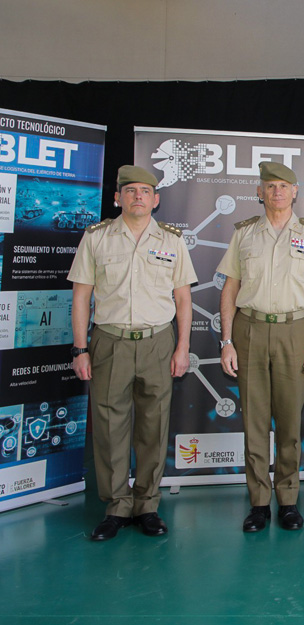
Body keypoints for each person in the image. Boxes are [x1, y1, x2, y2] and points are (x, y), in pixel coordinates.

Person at [69, 165, 197, 541]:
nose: (138, 196)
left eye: (145, 191)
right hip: (109, 341)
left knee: (153, 425)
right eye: (130, 191)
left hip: (159, 341)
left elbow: (184, 299)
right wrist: (80, 349)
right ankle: (116, 505)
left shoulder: (172, 240)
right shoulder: (96, 238)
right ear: (117, 198)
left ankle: (147, 504)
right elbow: (81, 298)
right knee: (109, 425)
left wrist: (183, 347)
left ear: (156, 200)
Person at [217, 161, 304, 533]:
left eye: (285, 186)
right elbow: (230, 288)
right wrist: (227, 340)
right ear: (260, 192)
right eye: (270, 186)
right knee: (253, 421)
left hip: (295, 329)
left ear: (296, 192)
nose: (278, 192)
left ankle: (287, 499)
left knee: (289, 421)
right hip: (249, 328)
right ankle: (258, 503)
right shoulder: (245, 234)